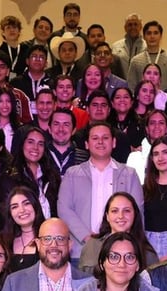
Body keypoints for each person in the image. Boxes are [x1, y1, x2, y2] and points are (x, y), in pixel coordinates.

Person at [58, 122, 145, 259]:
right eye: (95, 138)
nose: (100, 142)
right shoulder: (72, 174)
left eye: (105, 138)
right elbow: (64, 208)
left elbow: (137, 210)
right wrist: (87, 238)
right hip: (82, 250)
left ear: (114, 142)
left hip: (121, 251)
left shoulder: (129, 174)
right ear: (86, 144)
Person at [78, 192, 159, 273]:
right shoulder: (92, 245)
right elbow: (83, 280)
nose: (121, 216)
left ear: (135, 215)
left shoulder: (147, 253)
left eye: (126, 211)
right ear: (107, 216)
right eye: (114, 211)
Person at [0, 124, 60, 220]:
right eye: (30, 142)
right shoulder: (8, 178)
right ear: (22, 145)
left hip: (50, 232)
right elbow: (6, 214)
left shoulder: (52, 176)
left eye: (40, 144)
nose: (35, 147)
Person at [0, 185, 45, 271]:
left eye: (26, 203)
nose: (22, 210)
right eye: (14, 207)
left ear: (35, 206)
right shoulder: (3, 240)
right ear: (10, 213)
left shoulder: (49, 238)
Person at [127, 21, 167, 89]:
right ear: (144, 37)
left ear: (161, 36)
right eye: (149, 33)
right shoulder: (136, 61)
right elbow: (131, 86)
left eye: (156, 33)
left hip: (165, 99)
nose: (152, 36)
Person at [47, 108, 88, 176]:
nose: (61, 129)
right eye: (56, 124)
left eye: (66, 124)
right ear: (49, 129)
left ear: (74, 130)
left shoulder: (85, 158)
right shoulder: (40, 156)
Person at [110, 87, 143, 162]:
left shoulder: (141, 124)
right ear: (112, 103)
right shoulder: (106, 126)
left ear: (131, 102)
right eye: (118, 97)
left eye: (126, 97)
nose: (122, 100)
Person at [111, 13, 146, 78]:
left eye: (135, 24)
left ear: (140, 27)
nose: (133, 27)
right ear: (125, 27)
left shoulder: (146, 47)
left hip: (140, 85)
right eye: (130, 25)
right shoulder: (115, 46)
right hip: (120, 86)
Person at [0, 15, 28, 80]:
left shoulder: (26, 51)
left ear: (19, 31)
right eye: (8, 28)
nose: (12, 30)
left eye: (14, 27)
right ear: (3, 32)